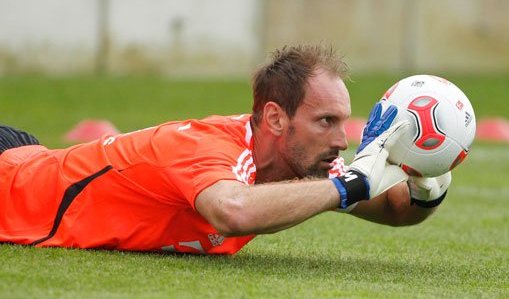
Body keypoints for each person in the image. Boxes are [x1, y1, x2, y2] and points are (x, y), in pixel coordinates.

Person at [0, 44, 450, 255]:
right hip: (9, 186)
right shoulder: (204, 147)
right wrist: (351, 185)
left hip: (29, 158)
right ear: (275, 118)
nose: (342, 140)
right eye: (326, 121)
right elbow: (232, 210)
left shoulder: (298, 164)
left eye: (342, 121)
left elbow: (394, 208)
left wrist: (427, 182)